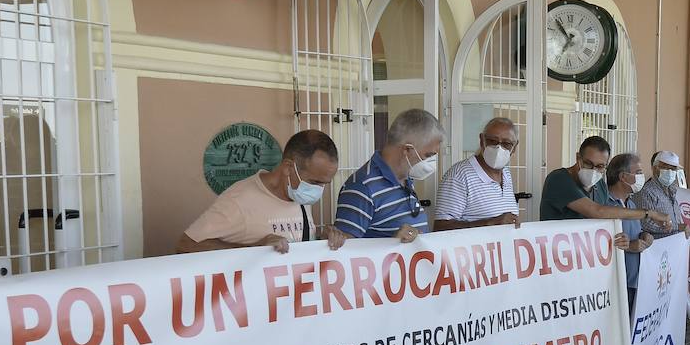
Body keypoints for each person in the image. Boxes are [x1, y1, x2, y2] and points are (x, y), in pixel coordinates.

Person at [176, 129, 346, 254]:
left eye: (324, 184)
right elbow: (186, 245)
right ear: (288, 167)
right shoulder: (239, 200)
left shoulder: (298, 195)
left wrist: (322, 241)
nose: (318, 190)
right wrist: (254, 249)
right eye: (314, 182)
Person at [334, 108, 444, 242]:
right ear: (407, 150)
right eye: (428, 155)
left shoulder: (405, 178)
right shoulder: (363, 187)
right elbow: (345, 253)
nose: (431, 162)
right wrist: (391, 243)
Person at [540, 136, 672, 230]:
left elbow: (604, 222)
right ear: (578, 158)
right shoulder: (559, 179)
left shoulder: (600, 186)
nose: (593, 170)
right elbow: (597, 211)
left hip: (588, 259)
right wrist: (649, 213)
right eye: (588, 163)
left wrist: (621, 239)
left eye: (600, 166)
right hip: (558, 258)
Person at [433, 117, 520, 231]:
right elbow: (440, 227)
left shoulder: (506, 174)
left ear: (514, 147)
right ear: (481, 140)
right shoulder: (459, 176)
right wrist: (489, 222)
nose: (499, 148)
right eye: (492, 141)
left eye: (506, 144)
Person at [600, 153, 654, 313]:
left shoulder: (630, 203)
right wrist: (630, 246)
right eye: (638, 172)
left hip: (634, 280)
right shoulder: (603, 205)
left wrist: (644, 236)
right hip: (614, 284)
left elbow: (633, 232)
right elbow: (600, 243)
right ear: (623, 176)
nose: (642, 177)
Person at [635, 149, 685, 236]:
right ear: (654, 168)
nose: (670, 172)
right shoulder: (646, 191)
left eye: (673, 169)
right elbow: (645, 223)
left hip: (675, 243)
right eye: (666, 167)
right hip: (657, 245)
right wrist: (677, 227)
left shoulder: (673, 191)